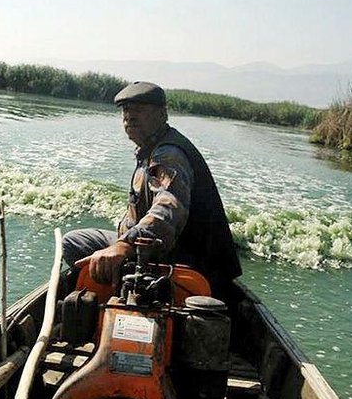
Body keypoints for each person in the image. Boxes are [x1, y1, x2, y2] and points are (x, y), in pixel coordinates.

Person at [63, 81, 241, 297]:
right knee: (75, 242)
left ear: (162, 115)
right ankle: (119, 291)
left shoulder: (168, 155)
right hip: (150, 249)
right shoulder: (149, 149)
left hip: (184, 261)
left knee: (78, 247)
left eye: (139, 109)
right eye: (126, 110)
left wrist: (123, 246)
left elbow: (167, 210)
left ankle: (125, 297)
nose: (129, 116)